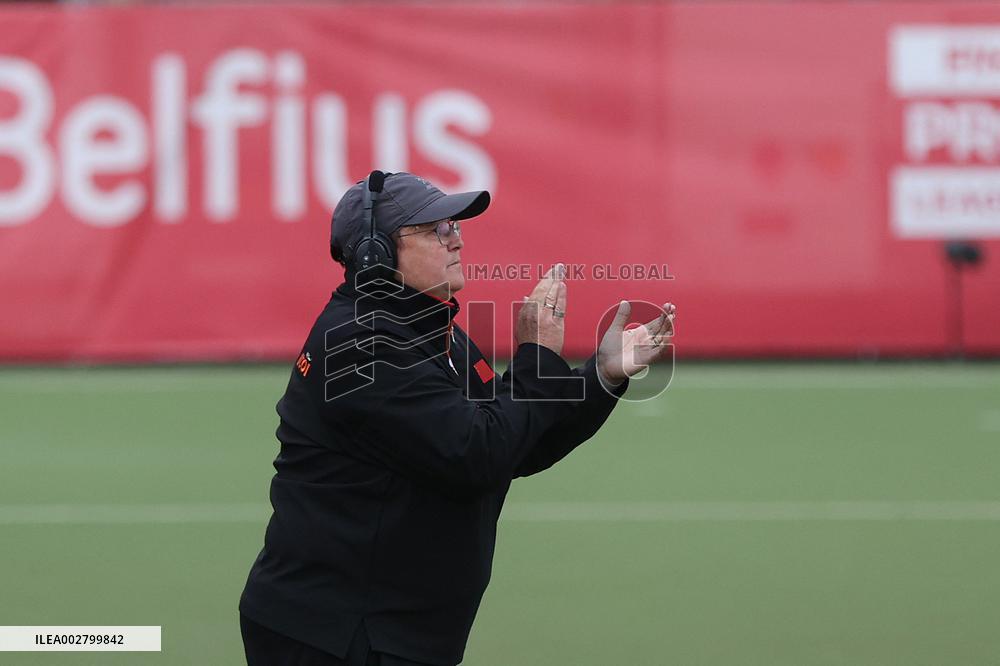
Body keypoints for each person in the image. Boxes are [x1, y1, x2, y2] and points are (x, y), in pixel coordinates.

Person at [239, 172, 675, 666]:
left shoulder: (426, 328)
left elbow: (514, 440)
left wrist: (601, 374)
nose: (457, 237)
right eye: (436, 228)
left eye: (454, 225)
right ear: (375, 255)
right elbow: (478, 453)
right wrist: (535, 356)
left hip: (390, 630)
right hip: (336, 635)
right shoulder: (360, 349)